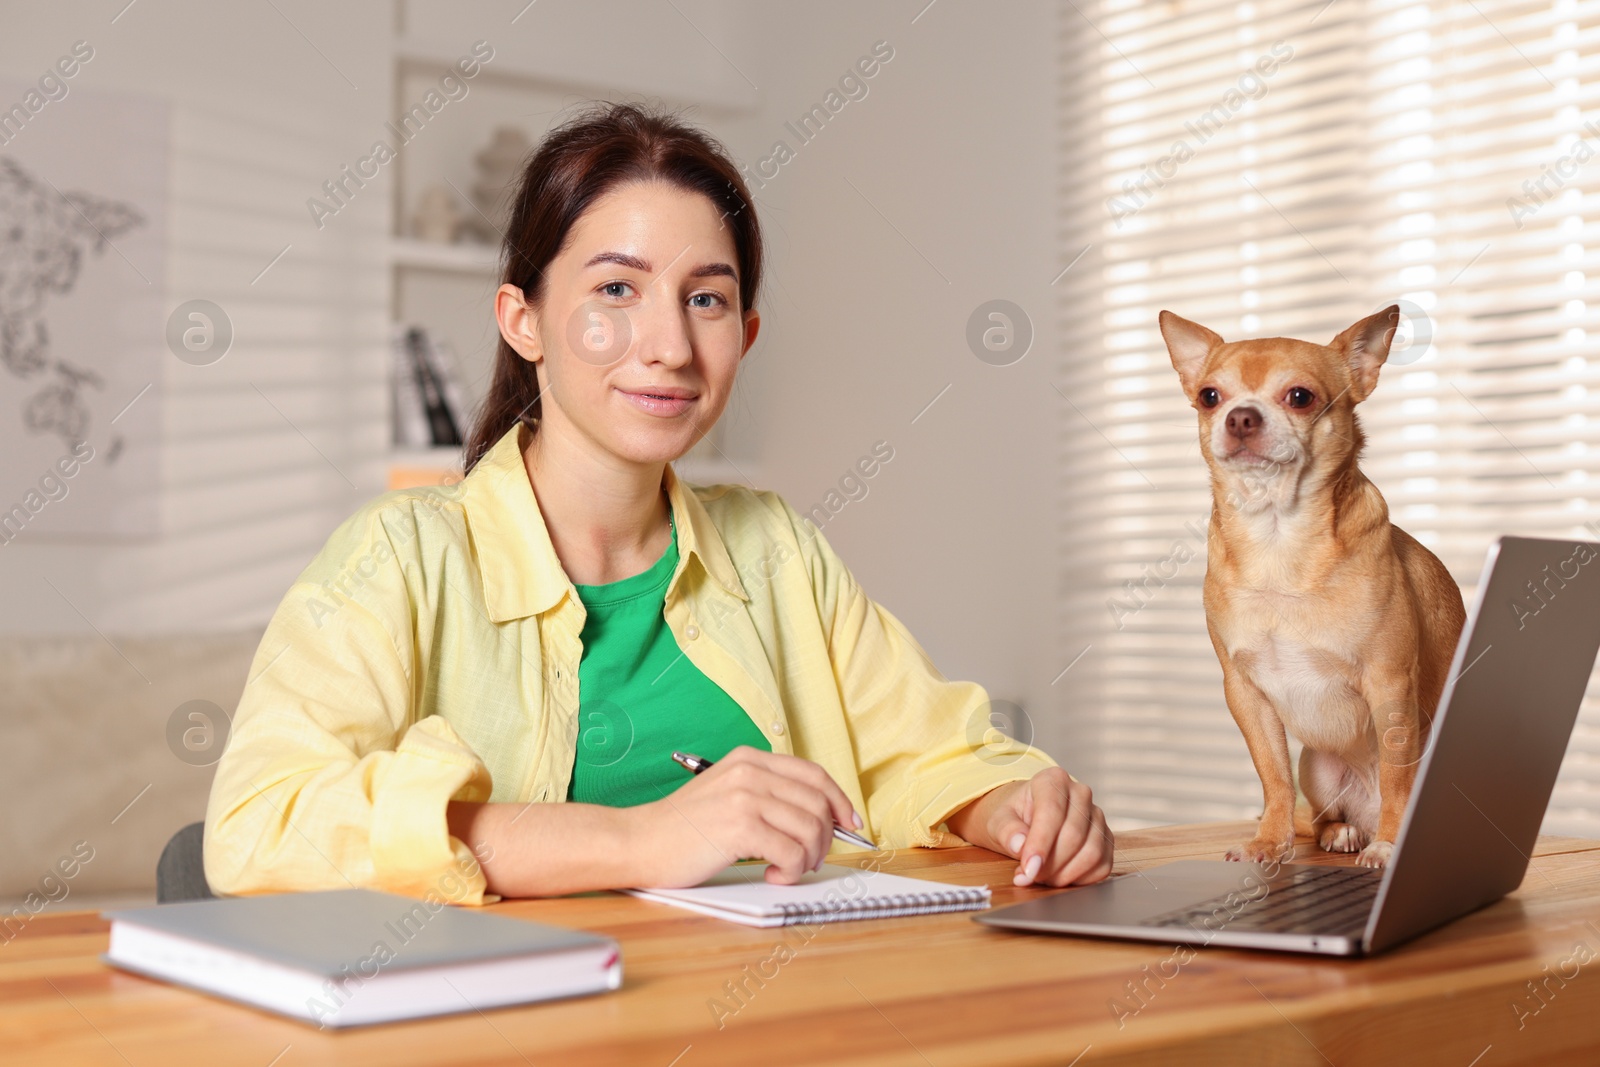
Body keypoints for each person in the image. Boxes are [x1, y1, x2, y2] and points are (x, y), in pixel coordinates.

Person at [203, 102, 1112, 905]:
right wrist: (645, 838)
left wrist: (1013, 804)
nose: (670, 344)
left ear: (745, 335)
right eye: (615, 291)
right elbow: (259, 824)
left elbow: (928, 753)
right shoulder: (396, 559)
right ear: (523, 320)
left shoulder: (777, 550)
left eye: (706, 298)